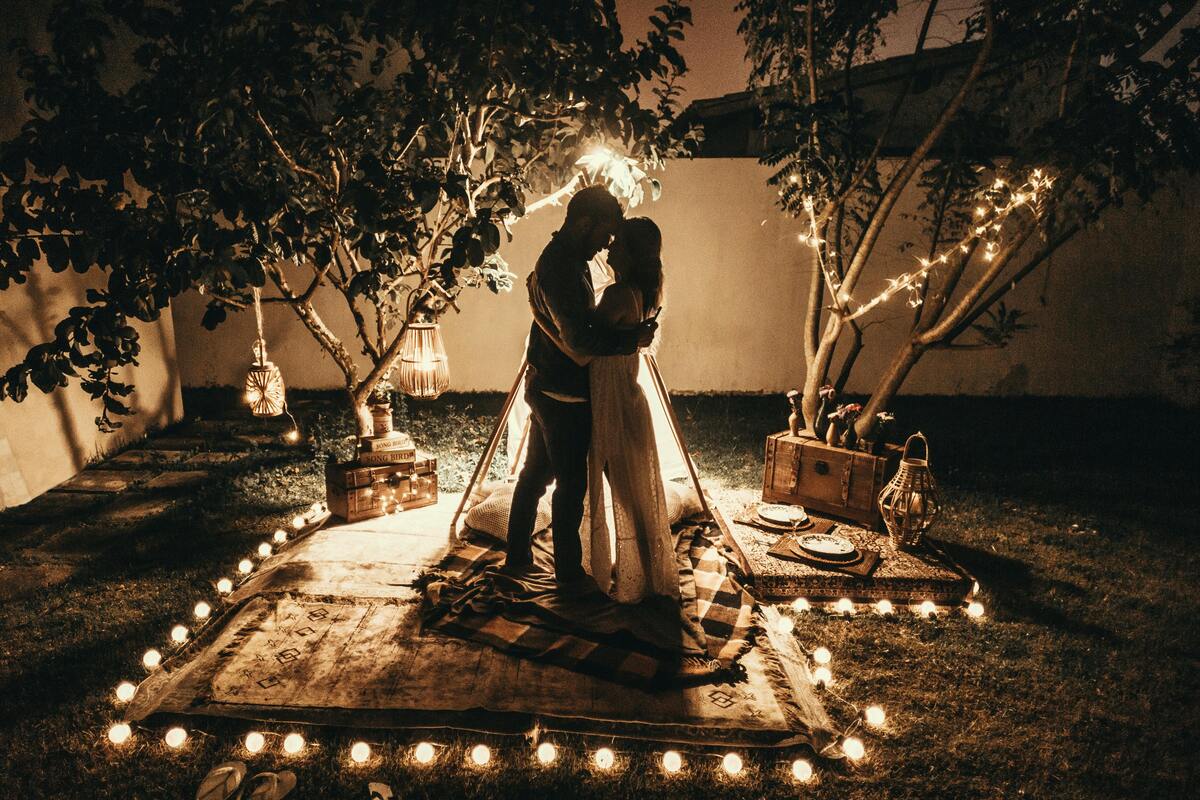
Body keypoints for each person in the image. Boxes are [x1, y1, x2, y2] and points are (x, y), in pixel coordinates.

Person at [503, 186, 656, 589]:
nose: (608, 244)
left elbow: (574, 331)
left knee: (535, 474)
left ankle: (517, 556)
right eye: (605, 232)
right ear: (584, 223)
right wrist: (630, 340)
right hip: (562, 394)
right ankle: (568, 575)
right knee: (570, 486)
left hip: (549, 385)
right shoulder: (561, 268)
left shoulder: (569, 260)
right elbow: (582, 344)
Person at [583, 217, 678, 603]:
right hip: (627, 396)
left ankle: (611, 573)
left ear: (631, 253)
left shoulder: (618, 294)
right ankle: (648, 572)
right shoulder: (644, 292)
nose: (609, 249)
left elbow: (585, 341)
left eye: (617, 243)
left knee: (607, 489)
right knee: (632, 494)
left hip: (608, 402)